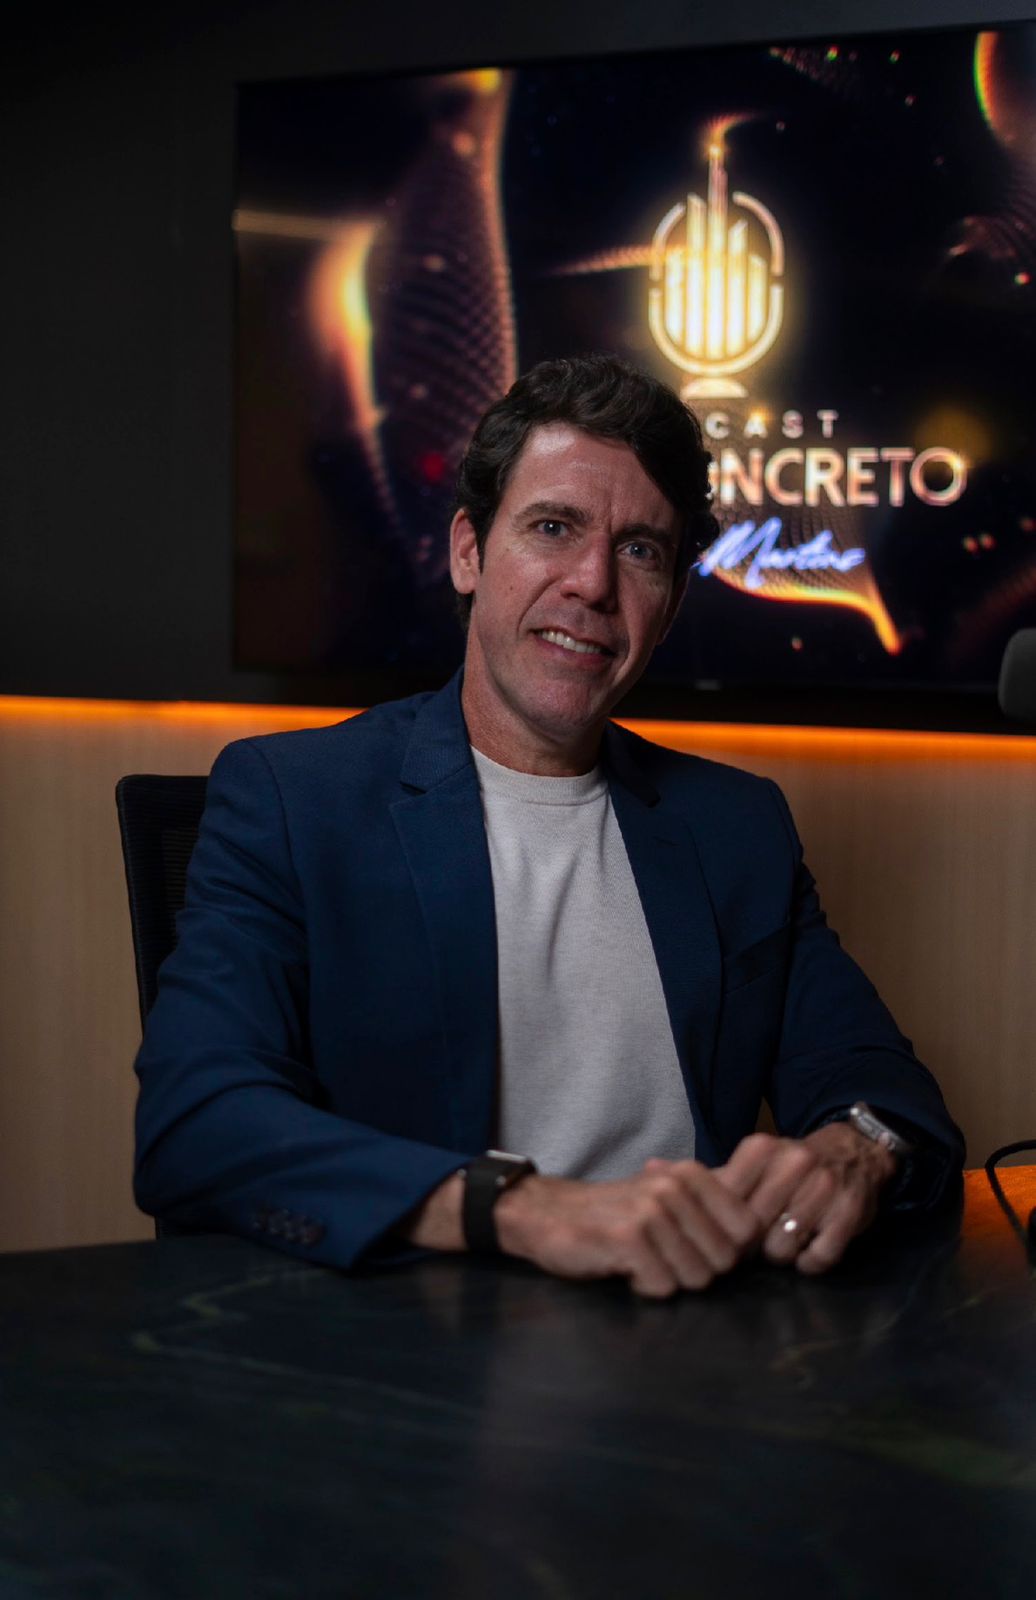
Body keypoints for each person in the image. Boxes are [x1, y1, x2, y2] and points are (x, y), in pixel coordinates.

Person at [134, 354, 964, 1298]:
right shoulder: (293, 799)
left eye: (640, 551)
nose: (592, 584)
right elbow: (193, 1125)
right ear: (469, 552)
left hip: (689, 1343)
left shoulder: (737, 827)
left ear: (670, 605)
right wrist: (523, 1210)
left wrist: (856, 1150)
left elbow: (882, 1088)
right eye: (553, 527)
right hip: (410, 1348)